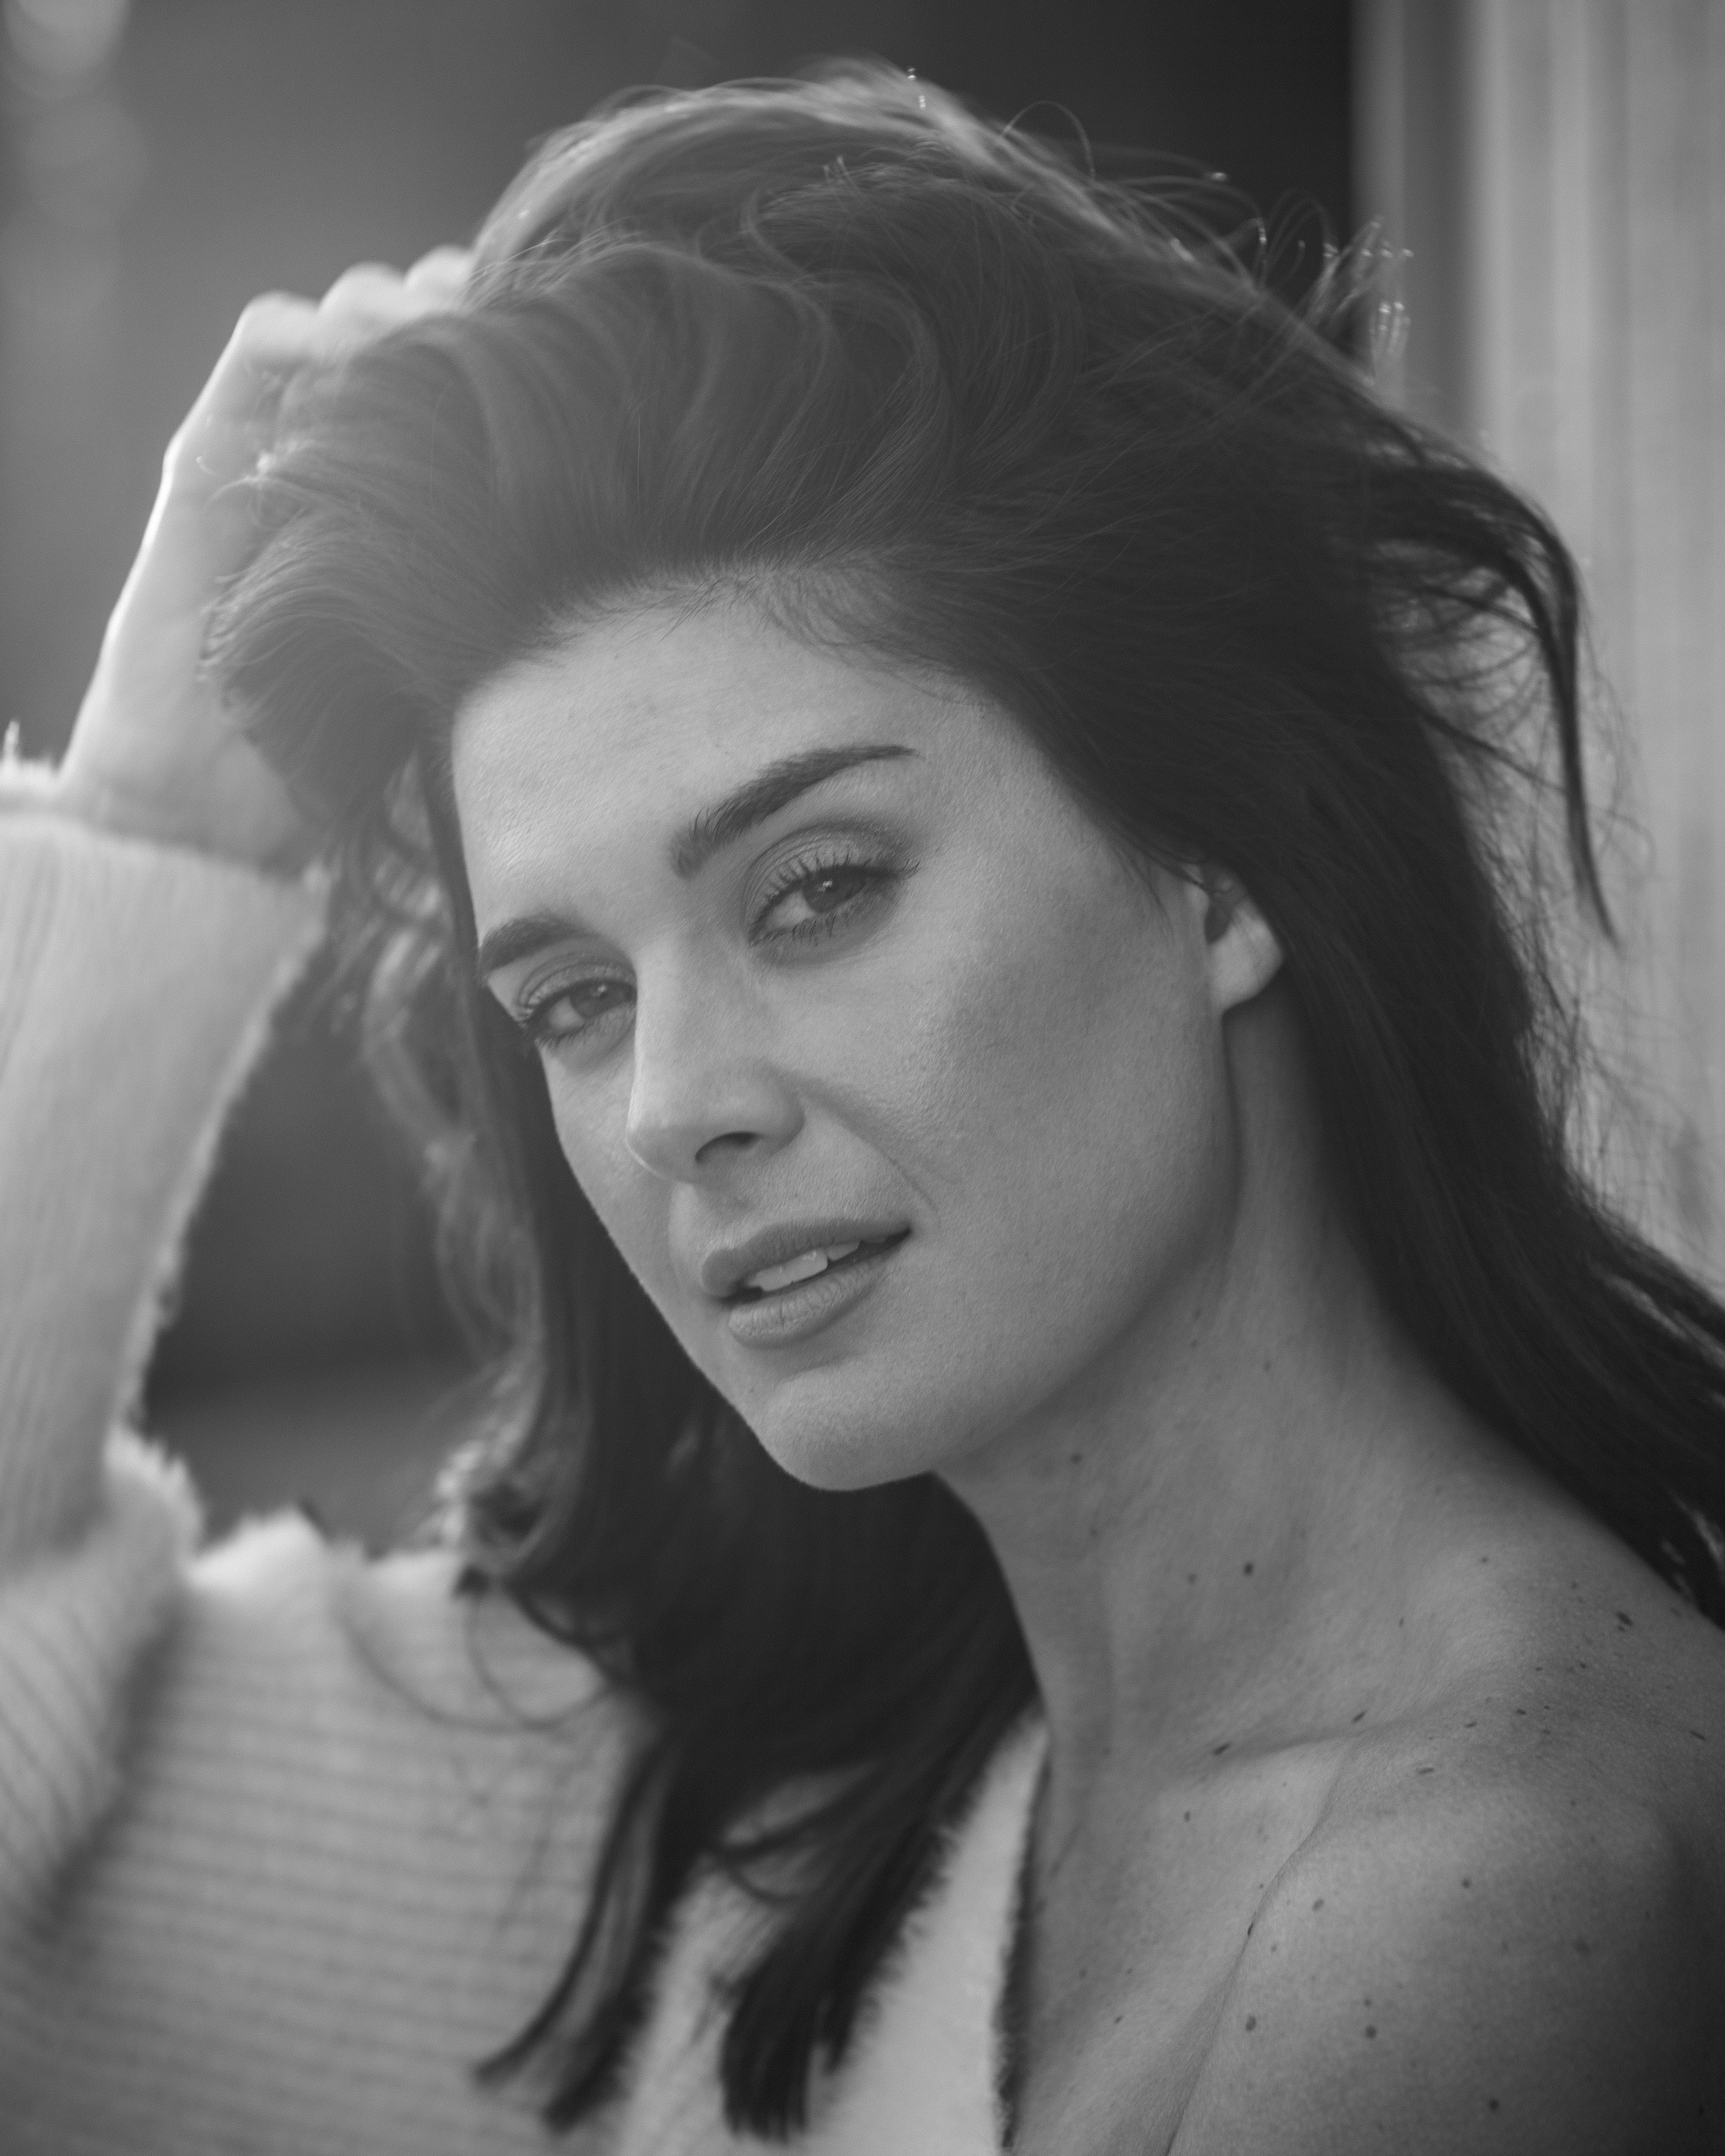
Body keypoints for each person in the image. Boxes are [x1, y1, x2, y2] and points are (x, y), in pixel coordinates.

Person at [1, 61, 1722, 2156]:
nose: (670, 1105)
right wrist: (153, 818)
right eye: (574, 997)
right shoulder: (755, 1803)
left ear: (1221, 866)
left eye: (817, 892)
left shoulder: (1500, 1904)